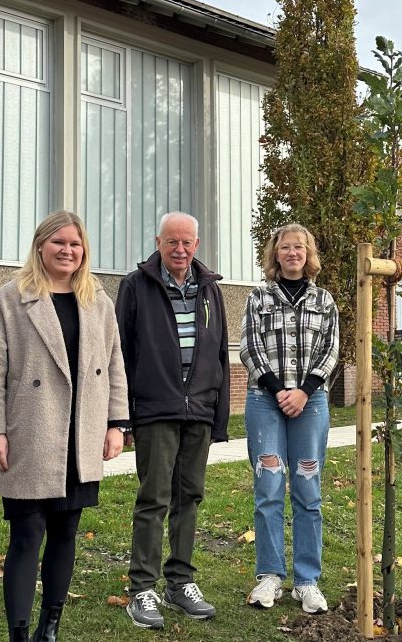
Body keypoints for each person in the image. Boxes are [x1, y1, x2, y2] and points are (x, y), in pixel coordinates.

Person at [0, 211, 129, 642]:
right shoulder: (11, 299)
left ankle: (51, 626)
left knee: (66, 532)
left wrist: (116, 423)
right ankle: (20, 633)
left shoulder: (97, 301)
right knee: (27, 534)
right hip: (31, 432)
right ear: (41, 246)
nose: (67, 251)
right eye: (59, 242)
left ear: (84, 251)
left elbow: (114, 364)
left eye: (75, 244)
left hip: (81, 436)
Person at [117, 211, 230, 630]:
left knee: (190, 498)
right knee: (154, 498)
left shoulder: (209, 290)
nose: (179, 250)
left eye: (186, 243)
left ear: (197, 245)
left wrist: (218, 418)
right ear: (158, 242)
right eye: (171, 242)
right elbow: (122, 354)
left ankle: (180, 582)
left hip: (198, 411)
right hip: (154, 410)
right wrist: (122, 416)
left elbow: (220, 353)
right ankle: (142, 588)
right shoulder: (135, 286)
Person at [239, 224, 339, 614]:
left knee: (308, 490)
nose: (293, 252)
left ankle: (307, 580)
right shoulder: (258, 297)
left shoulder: (324, 299)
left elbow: (331, 348)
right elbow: (249, 345)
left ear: (308, 253)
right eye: (285, 247)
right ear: (275, 254)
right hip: (264, 400)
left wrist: (304, 390)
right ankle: (269, 575)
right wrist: (278, 388)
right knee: (268, 487)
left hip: (310, 403)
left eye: (299, 247)